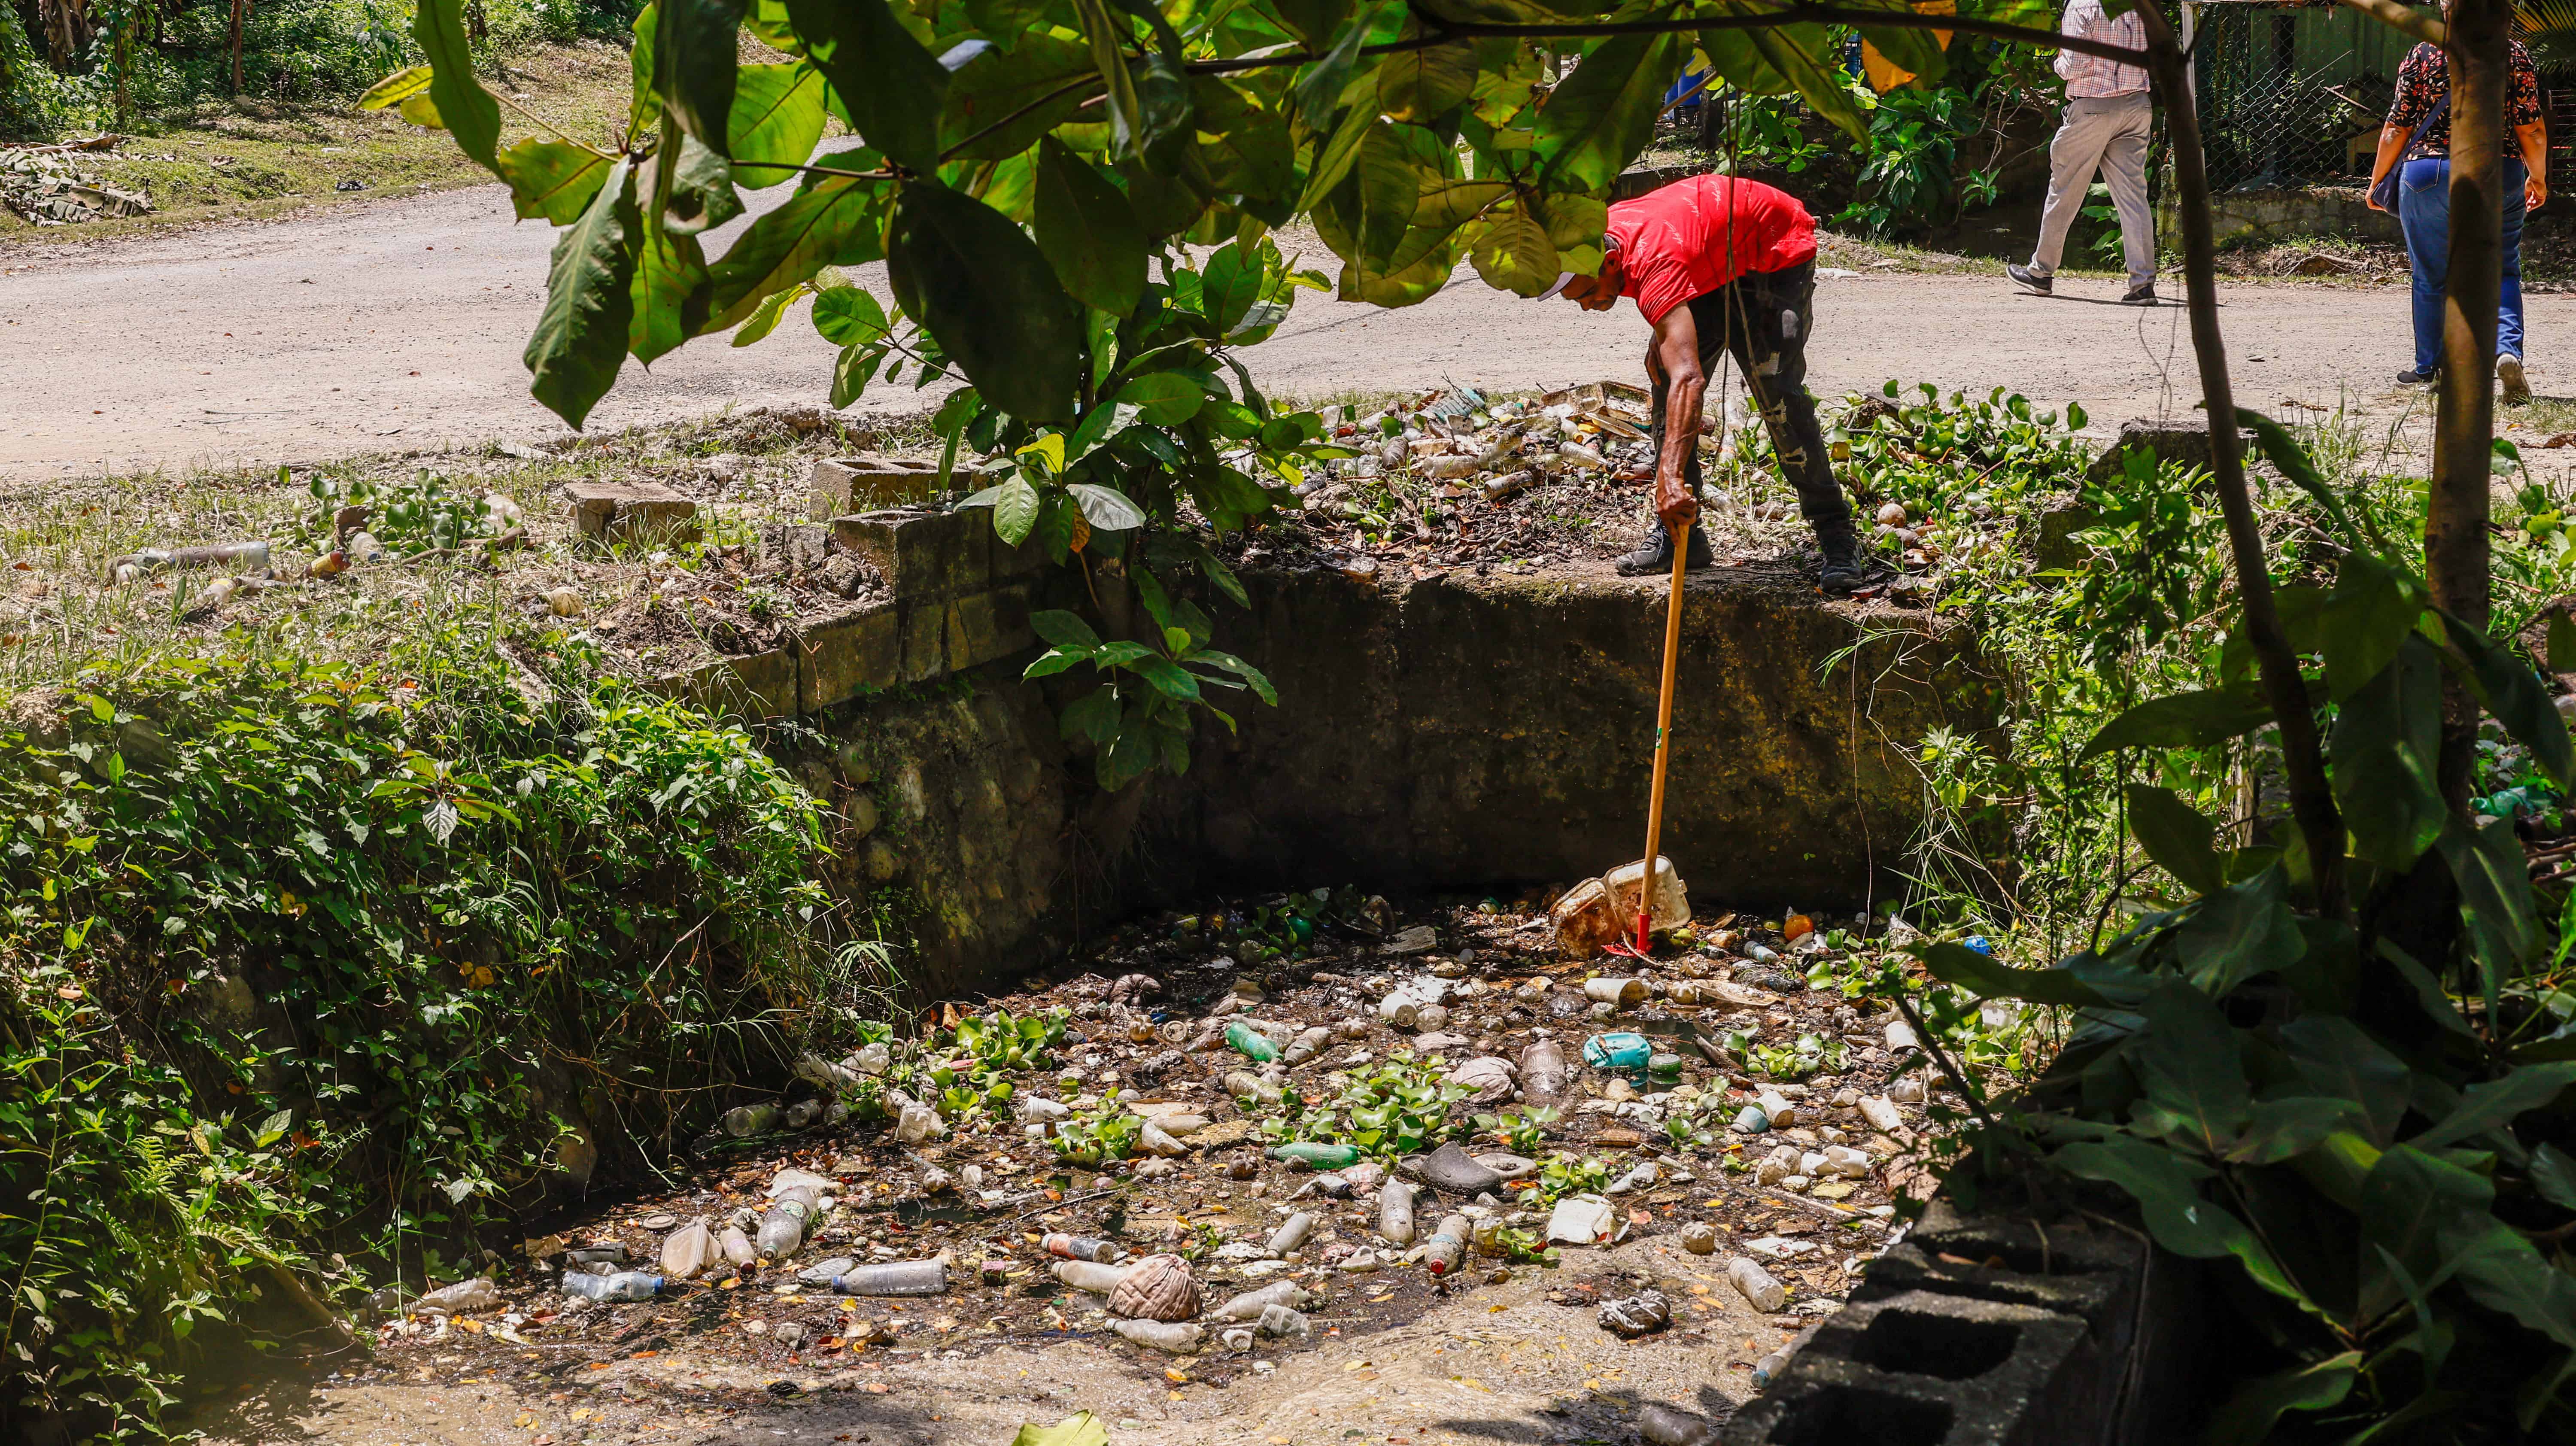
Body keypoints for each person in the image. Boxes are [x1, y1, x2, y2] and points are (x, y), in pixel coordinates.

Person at [1545, 173, 1864, 594]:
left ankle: (1836, 534)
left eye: (1586, 293)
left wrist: (1671, 479)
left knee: (1777, 394)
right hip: (1712, 257)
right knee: (1664, 378)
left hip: (1774, 251)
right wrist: (1662, 338)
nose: (1587, 306)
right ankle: (1681, 539)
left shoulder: (1652, 265)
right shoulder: (1600, 235)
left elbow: (1690, 378)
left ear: (1609, 264)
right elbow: (1676, 357)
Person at [2366, 25, 2546, 400]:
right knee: (2502, 268)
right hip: (2498, 170)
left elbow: (2396, 127)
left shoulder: (2423, 53)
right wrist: (2538, 177)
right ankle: (2507, 352)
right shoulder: (2512, 53)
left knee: (2431, 274)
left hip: (2428, 172)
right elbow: (2531, 128)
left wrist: (2377, 180)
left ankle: (2432, 369)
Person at [2006, 0, 2157, 305]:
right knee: (2133, 196)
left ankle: (2041, 273)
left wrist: (2058, 61)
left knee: (2065, 190)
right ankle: (2142, 286)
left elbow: (2072, 67)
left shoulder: (2082, 6)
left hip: (2093, 108)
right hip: (2137, 106)